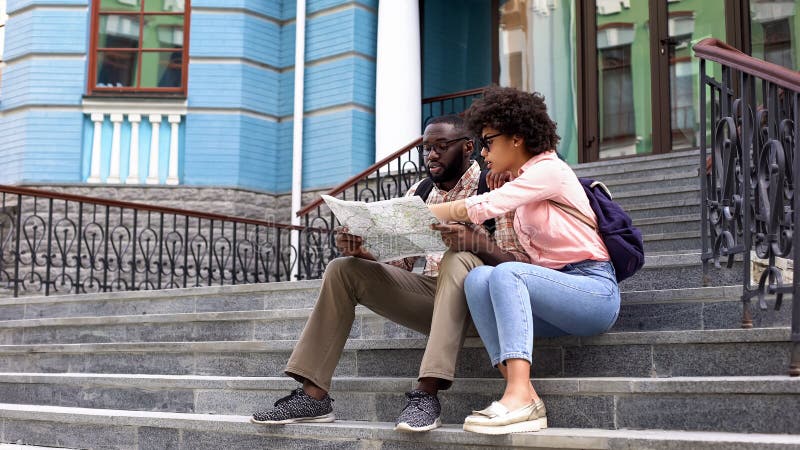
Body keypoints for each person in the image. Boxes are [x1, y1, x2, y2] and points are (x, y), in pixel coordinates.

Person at [251, 115, 529, 432]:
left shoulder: (495, 186)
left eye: (441, 146)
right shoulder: (421, 192)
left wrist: (475, 243)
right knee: (343, 269)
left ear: (468, 148)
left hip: (483, 308)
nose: (432, 155)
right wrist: (362, 252)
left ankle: (427, 395)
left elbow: (518, 267)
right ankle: (314, 396)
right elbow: (401, 267)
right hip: (435, 302)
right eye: (427, 148)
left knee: (458, 255)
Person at [428, 87, 621, 435]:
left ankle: (517, 395)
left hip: (593, 291)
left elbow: (480, 207)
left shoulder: (549, 169)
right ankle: (526, 394)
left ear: (517, 138)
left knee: (506, 274)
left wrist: (416, 214)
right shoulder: (521, 183)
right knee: (479, 279)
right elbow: (519, 254)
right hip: (550, 296)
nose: (483, 152)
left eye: (488, 141)